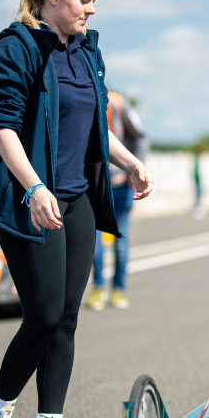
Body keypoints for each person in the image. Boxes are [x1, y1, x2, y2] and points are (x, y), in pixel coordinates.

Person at [0, 0, 153, 418]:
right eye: (84, 0)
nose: (92, 11)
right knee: (44, 315)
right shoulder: (16, 46)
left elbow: (94, 124)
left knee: (67, 319)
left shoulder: (87, 50)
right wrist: (34, 187)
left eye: (94, 1)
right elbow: (2, 127)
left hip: (76, 200)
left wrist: (131, 161)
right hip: (31, 200)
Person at [86, 91, 148, 311]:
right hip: (92, 184)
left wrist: (136, 168)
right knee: (93, 242)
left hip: (121, 183)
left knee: (120, 238)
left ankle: (118, 288)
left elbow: (140, 135)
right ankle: (99, 287)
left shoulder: (118, 102)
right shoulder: (83, 95)